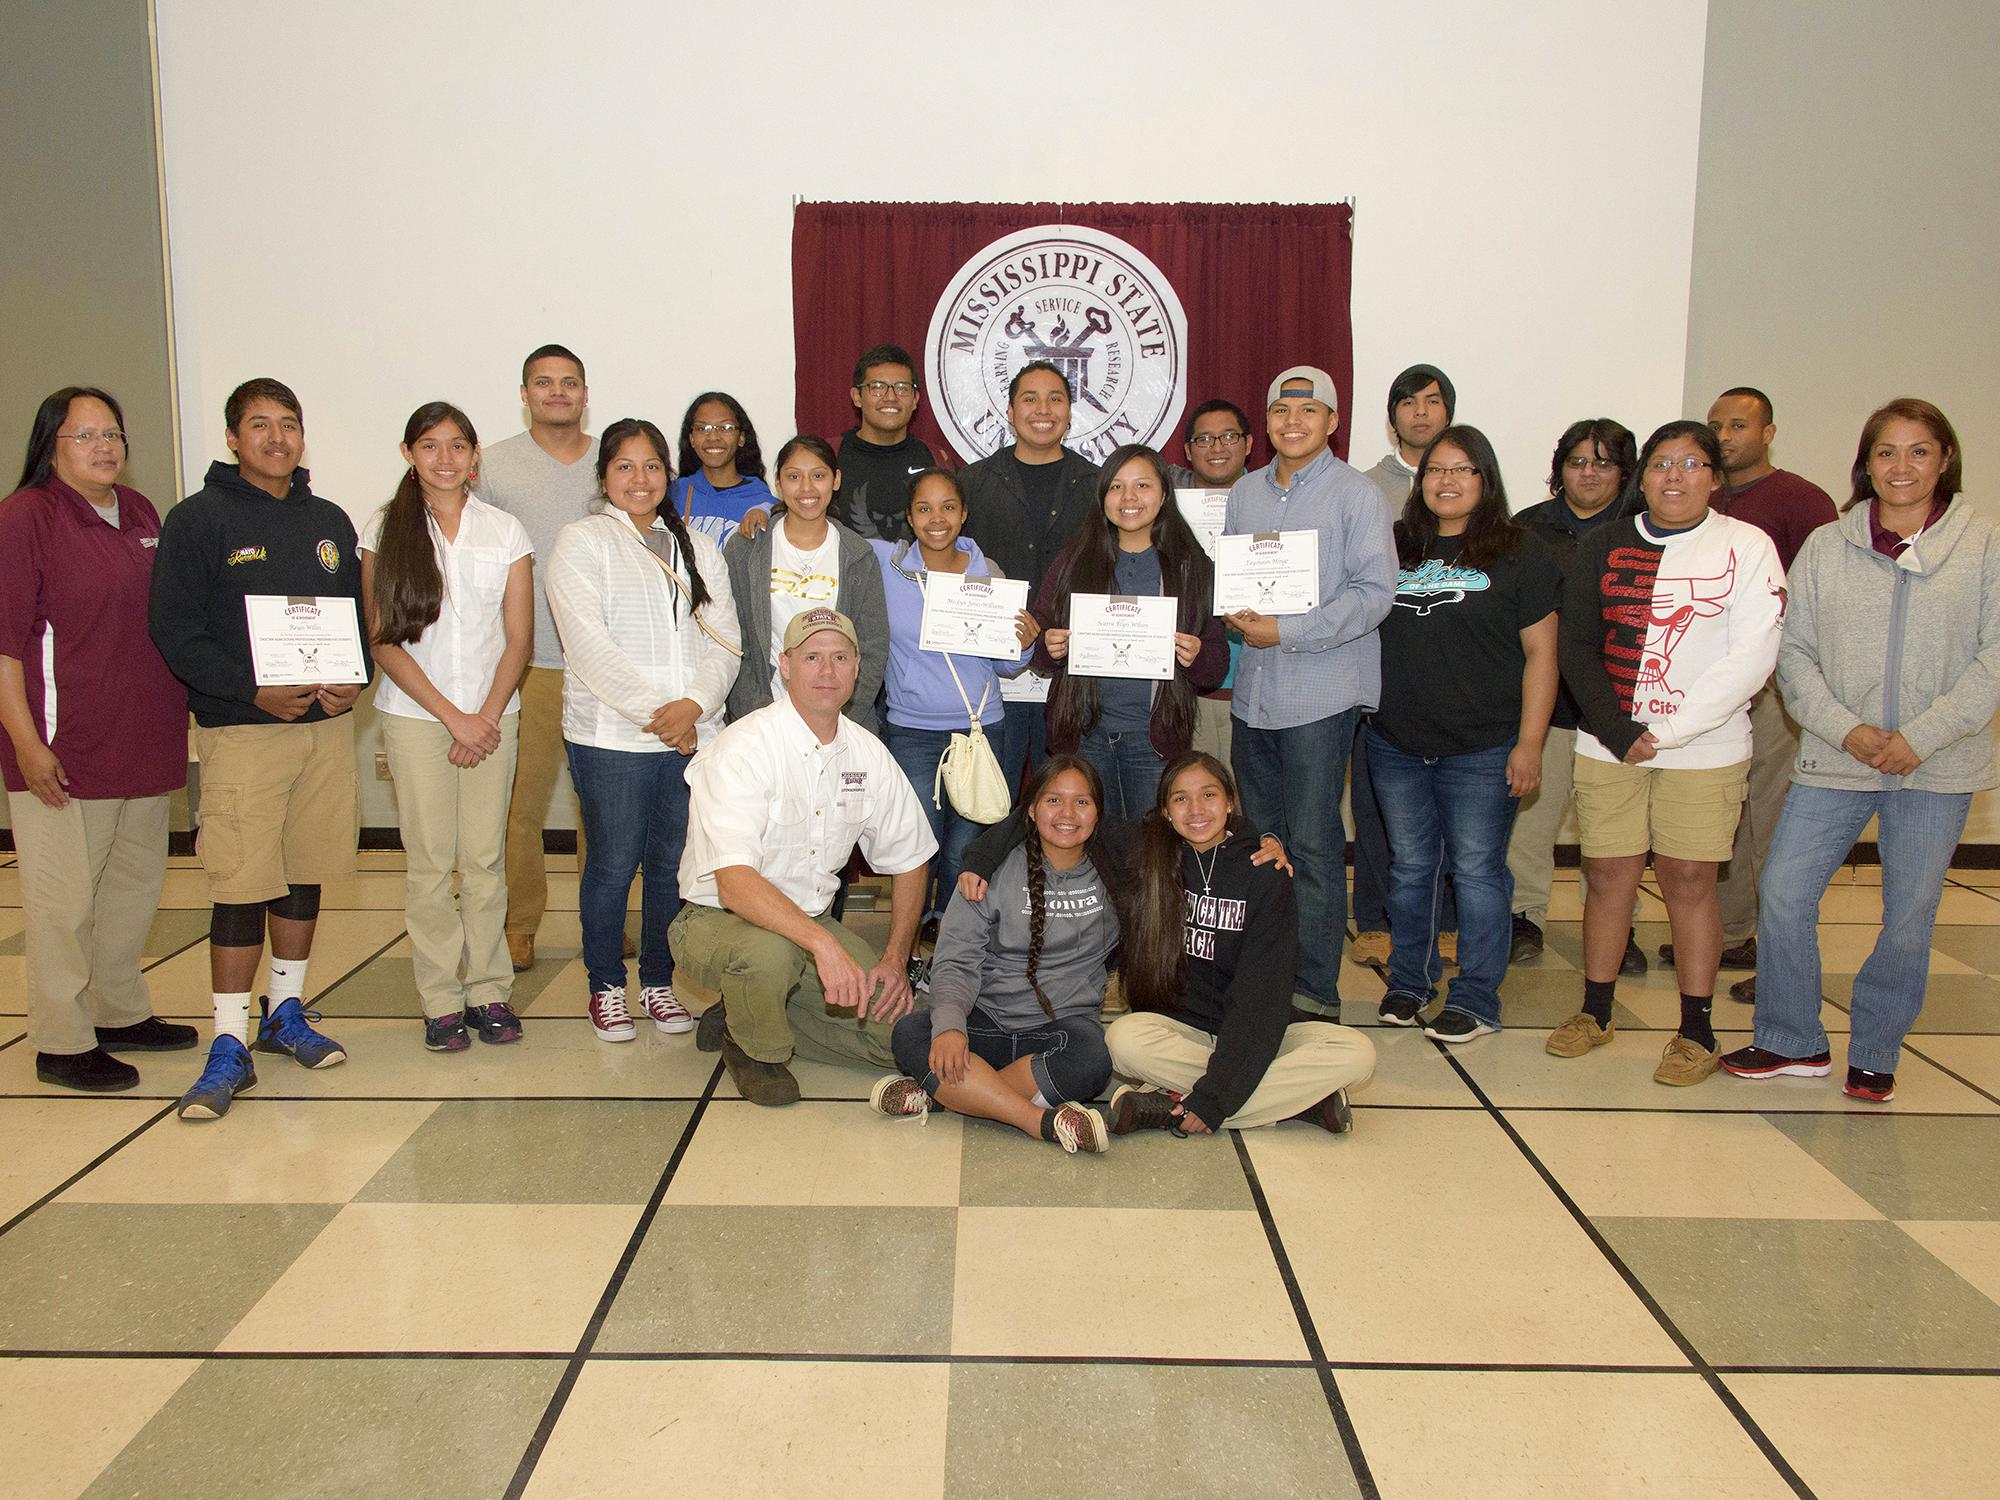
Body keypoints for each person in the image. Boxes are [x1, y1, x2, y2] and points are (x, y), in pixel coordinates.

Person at [1724, 398, 1997, 1103]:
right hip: (1835, 756)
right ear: (1865, 463)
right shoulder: (1827, 545)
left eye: (1918, 451)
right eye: (1885, 452)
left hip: (1937, 766)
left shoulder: (1985, 544)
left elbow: (1993, 659)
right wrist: (1846, 729)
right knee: (1783, 892)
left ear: (1944, 460)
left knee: (1909, 914)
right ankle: (1791, 1039)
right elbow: (1795, 654)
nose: (1900, 467)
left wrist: (1921, 737)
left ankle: (1875, 1050)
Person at [149, 378, 370, 1120]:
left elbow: (352, 625)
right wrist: (251, 690)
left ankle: (286, 1013)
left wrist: (351, 682)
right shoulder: (197, 520)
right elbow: (176, 632)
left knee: (305, 872)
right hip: (242, 730)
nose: (277, 438)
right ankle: (226, 1042)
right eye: (260, 425)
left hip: (322, 730)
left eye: (289, 424)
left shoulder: (330, 520)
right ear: (233, 438)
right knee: (243, 883)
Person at [1548, 420, 1784, 1086]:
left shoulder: (1746, 547)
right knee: (1607, 877)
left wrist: (1672, 731)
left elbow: (1753, 653)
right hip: (1611, 745)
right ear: (1641, 475)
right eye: (1660, 464)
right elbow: (1578, 647)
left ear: (1714, 475)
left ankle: (1695, 1028)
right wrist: (1621, 730)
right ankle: (1595, 1011)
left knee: (1689, 883)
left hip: (1704, 751)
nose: (1673, 476)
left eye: (1690, 463)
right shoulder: (1605, 545)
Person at [0, 388, 196, 1091]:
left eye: (112, 432)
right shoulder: (25, 518)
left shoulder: (142, 513)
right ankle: (60, 1037)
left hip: (142, 739)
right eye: (84, 436)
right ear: (50, 445)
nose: (104, 447)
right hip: (63, 751)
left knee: (132, 889)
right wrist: (25, 744)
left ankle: (118, 1009)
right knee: (64, 900)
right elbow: (5, 648)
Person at [670, 607, 937, 1105]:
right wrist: (826, 946)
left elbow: (911, 857)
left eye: (840, 657)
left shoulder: (867, 752)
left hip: (809, 923)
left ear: (858, 668)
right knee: (767, 954)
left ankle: (747, 1007)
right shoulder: (744, 747)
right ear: (785, 665)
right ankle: (754, 1047)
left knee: (902, 1037)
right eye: (812, 657)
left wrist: (896, 959)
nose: (827, 671)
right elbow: (733, 883)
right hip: (717, 920)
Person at [546, 417, 741, 1043]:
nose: (639, 478)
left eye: (652, 466)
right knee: (610, 865)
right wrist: (667, 717)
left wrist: (696, 707)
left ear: (668, 473)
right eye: (624, 466)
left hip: (691, 735)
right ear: (604, 475)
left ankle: (658, 981)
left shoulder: (695, 546)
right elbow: (589, 647)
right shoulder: (581, 542)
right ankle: (605, 986)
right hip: (611, 738)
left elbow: (725, 639)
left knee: (669, 868)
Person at [1367, 426, 1559, 1040]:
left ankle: (1476, 997)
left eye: (1461, 469)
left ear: (1486, 479)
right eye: (1434, 471)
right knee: (1410, 869)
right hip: (1396, 742)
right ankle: (1409, 981)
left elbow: (1542, 655)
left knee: (1478, 872)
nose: (1445, 481)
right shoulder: (1393, 546)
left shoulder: (1521, 551)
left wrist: (1530, 744)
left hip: (1484, 746)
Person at [1223, 365, 1396, 1019]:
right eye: (1280, 411)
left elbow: (1375, 595)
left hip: (1321, 696)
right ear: (1266, 423)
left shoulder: (1357, 495)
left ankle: (1316, 990)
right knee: (1263, 844)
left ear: (1331, 422)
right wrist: (1238, 613)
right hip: (1255, 697)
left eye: (1308, 410)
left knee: (1316, 844)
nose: (1293, 421)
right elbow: (1241, 581)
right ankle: (1269, 974)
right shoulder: (1245, 494)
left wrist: (1285, 631)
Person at [360, 402, 535, 1051]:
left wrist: (484, 717)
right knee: (431, 865)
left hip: (495, 718)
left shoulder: (505, 530)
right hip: (417, 719)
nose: (444, 458)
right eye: (430, 446)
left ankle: (489, 991)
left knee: (484, 861)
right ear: (409, 453)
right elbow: (383, 641)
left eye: (457, 446)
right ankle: (439, 998)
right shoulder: (385, 528)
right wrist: (453, 718)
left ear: (474, 453)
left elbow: (519, 639)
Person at [1102, 753, 1378, 1134]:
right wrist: (986, 857)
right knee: (1122, 1040)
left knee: (1357, 1054)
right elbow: (1063, 817)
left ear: (1230, 802)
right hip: (1183, 1031)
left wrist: (1214, 1099)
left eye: (1209, 795)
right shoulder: (1147, 854)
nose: (1196, 809)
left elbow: (1262, 995)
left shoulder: (1265, 872)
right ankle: (1298, 1103)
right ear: (1165, 811)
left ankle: (1171, 1107)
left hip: (1258, 1031)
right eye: (1180, 798)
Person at [1669, 387, 1837, 998]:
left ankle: (1776, 948)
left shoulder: (1800, 500)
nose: (1725, 434)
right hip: (1698, 684)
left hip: (1771, 685)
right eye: (1716, 425)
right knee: (1723, 817)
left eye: (1738, 424)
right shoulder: (1700, 497)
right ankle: (1733, 928)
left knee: (1769, 814)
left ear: (1768, 433)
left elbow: (1823, 592)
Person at [869, 755, 1117, 1153]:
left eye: (1082, 802)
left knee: (1092, 1056)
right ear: (1031, 811)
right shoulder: (988, 871)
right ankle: (1037, 1120)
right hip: (987, 1024)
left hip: (1059, 1032)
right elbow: (957, 958)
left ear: (1099, 813)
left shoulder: (1116, 875)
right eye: (1053, 801)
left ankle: (951, 1095)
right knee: (913, 1032)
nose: (1067, 813)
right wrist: (950, 1026)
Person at [1506, 419, 1649, 977]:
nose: (1588, 473)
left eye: (1604, 463)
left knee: (1613, 827)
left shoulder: (1643, 528)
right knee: (1530, 823)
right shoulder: (1524, 529)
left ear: (1625, 472)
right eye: (1577, 462)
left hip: (1618, 708)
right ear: (1559, 469)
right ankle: (1524, 917)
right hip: (1546, 705)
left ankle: (1620, 924)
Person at [873, 468, 1037, 943]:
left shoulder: (990, 574)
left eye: (948, 507)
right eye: (924, 508)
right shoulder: (888, 566)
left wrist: (1023, 646)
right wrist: (765, 509)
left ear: (964, 514)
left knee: (966, 849)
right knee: (917, 843)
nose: (936, 518)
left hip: (980, 729)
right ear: (909, 517)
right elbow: (824, 531)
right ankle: (909, 934)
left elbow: (1007, 667)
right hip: (911, 732)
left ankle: (949, 932)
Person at [477, 344, 599, 974]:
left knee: (601, 807)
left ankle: (603, 920)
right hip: (528, 665)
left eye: (569, 383)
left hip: (602, 667)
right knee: (520, 806)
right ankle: (518, 923)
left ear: (585, 392)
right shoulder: (492, 466)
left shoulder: (615, 462)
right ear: (524, 392)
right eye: (544, 383)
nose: (558, 393)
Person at [1033, 444, 1228, 818]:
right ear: (1103, 495)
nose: (1129, 498)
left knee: (1150, 852)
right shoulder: (1073, 560)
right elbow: (1039, 642)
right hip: (1083, 735)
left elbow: (1216, 665)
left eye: (1142, 485)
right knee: (1093, 851)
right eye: (1117, 487)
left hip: (1154, 741)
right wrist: (1048, 645)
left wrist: (1196, 655)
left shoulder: (1192, 566)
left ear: (1164, 494)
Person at [1352, 364, 1460, 973]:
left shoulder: (1472, 488)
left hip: (1447, 678)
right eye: (1408, 402)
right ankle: (1374, 919)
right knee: (1372, 804)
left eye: (1433, 401)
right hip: (1377, 672)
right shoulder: (1365, 488)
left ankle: (1445, 921)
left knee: (1444, 810)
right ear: (1391, 417)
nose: (1421, 412)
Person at [961, 362, 1102, 791]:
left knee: (1063, 798)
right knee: (989, 800)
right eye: (1030, 398)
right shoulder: (972, 482)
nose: (1043, 409)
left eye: (1055, 398)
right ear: (1009, 410)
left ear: (1070, 412)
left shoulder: (1097, 485)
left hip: (1069, 673)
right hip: (991, 672)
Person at [724, 435, 888, 732]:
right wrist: (760, 714)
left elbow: (872, 648)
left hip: (841, 722)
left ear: (836, 480)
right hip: (763, 719)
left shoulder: (859, 555)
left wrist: (837, 718)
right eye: (794, 476)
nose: (807, 488)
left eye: (818, 476)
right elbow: (735, 640)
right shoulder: (746, 548)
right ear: (778, 483)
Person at [1166, 399, 1255, 770]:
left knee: (1251, 812)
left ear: (1249, 443)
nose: (1217, 447)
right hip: (1186, 689)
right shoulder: (1163, 508)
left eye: (1229, 436)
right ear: (1187, 451)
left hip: (1255, 688)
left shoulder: (1279, 504)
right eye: (1204, 439)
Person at [834, 343, 939, 540]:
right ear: (857, 396)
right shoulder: (829, 458)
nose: (890, 397)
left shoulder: (938, 461)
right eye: (877, 387)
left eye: (902, 388)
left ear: (915, 399)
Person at [675, 391, 775, 551]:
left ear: (741, 437)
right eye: (702, 428)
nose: (713, 437)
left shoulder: (762, 503)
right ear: (692, 439)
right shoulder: (673, 493)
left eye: (725, 427)